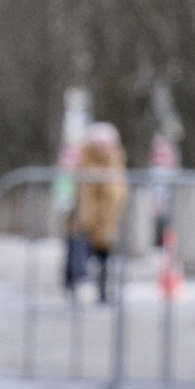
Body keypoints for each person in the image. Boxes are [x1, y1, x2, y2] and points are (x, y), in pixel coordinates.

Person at [66, 120, 128, 300]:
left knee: (104, 257)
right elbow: (82, 195)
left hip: (107, 220)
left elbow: (118, 193)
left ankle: (102, 291)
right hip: (85, 219)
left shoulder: (115, 163)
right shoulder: (85, 163)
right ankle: (75, 284)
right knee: (79, 252)